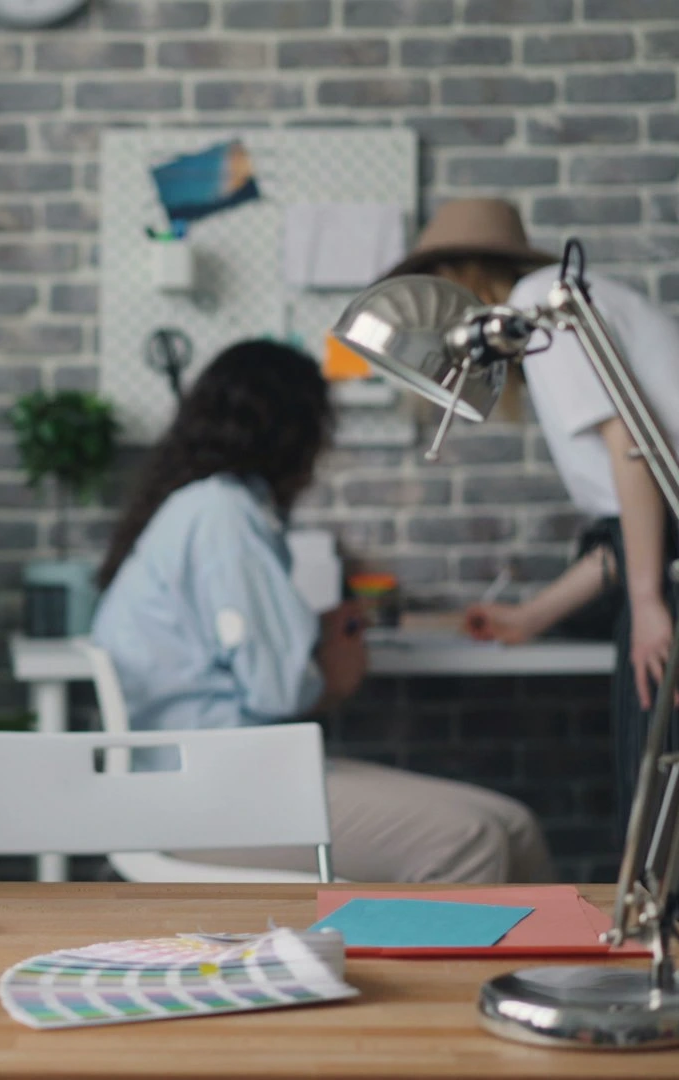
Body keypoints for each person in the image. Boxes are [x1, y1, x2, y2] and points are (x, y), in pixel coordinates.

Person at [396, 199, 679, 996]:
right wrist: (532, 617)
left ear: (461, 279)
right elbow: (627, 512)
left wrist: (648, 600)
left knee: (666, 845)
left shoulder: (546, 304)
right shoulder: (559, 310)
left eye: (436, 289)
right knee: (661, 840)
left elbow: (639, 453)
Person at [90, 340, 552, 885]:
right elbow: (279, 690)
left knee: (514, 825)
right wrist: (333, 667)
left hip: (224, 775)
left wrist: (311, 640)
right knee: (469, 841)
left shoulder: (206, 508)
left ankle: (532, 974)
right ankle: (448, 973)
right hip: (205, 795)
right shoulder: (222, 516)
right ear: (295, 434)